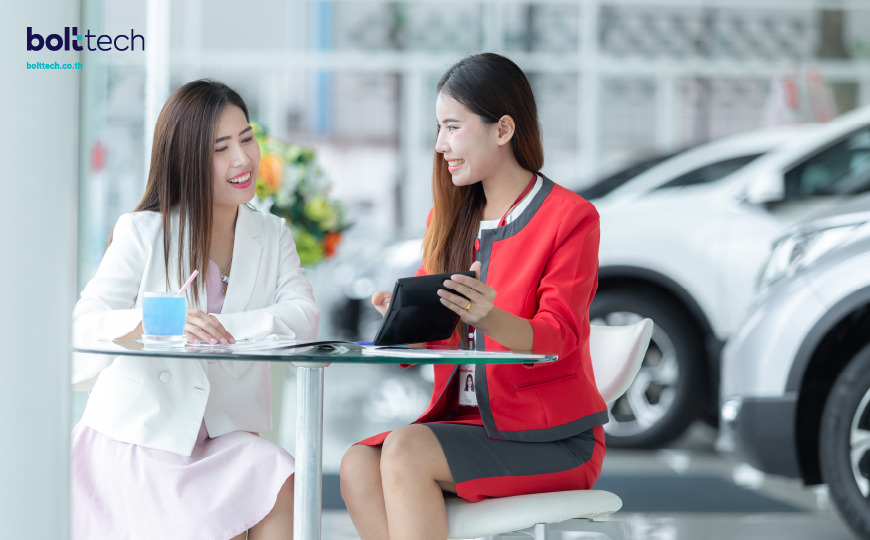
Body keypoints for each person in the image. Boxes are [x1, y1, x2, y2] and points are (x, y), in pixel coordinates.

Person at [339, 53, 607, 540]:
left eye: (452, 127)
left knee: (405, 449)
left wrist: (487, 316)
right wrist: (403, 322)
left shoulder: (570, 217)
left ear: (502, 129)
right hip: (465, 426)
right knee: (358, 462)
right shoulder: (447, 220)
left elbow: (559, 335)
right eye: (438, 128)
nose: (440, 144)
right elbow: (439, 342)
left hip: (554, 440)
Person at [71, 80, 320, 540]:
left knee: (280, 476)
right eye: (220, 148)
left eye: (246, 138)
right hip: (140, 439)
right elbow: (84, 325)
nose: (242, 160)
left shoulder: (273, 234)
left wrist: (219, 327)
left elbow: (302, 315)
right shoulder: (143, 232)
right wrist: (152, 320)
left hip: (222, 440)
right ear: (187, 159)